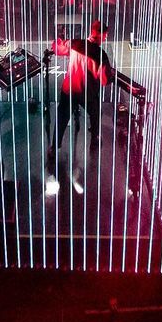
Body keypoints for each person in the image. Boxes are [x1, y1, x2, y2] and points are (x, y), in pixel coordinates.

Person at [45, 18, 113, 196]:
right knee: (95, 113)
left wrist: (58, 40)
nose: (105, 38)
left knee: (61, 118)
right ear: (101, 35)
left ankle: (54, 148)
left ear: (91, 31)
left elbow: (57, 49)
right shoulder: (101, 55)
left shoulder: (76, 43)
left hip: (69, 89)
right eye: (105, 35)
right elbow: (105, 81)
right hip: (87, 93)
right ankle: (95, 138)